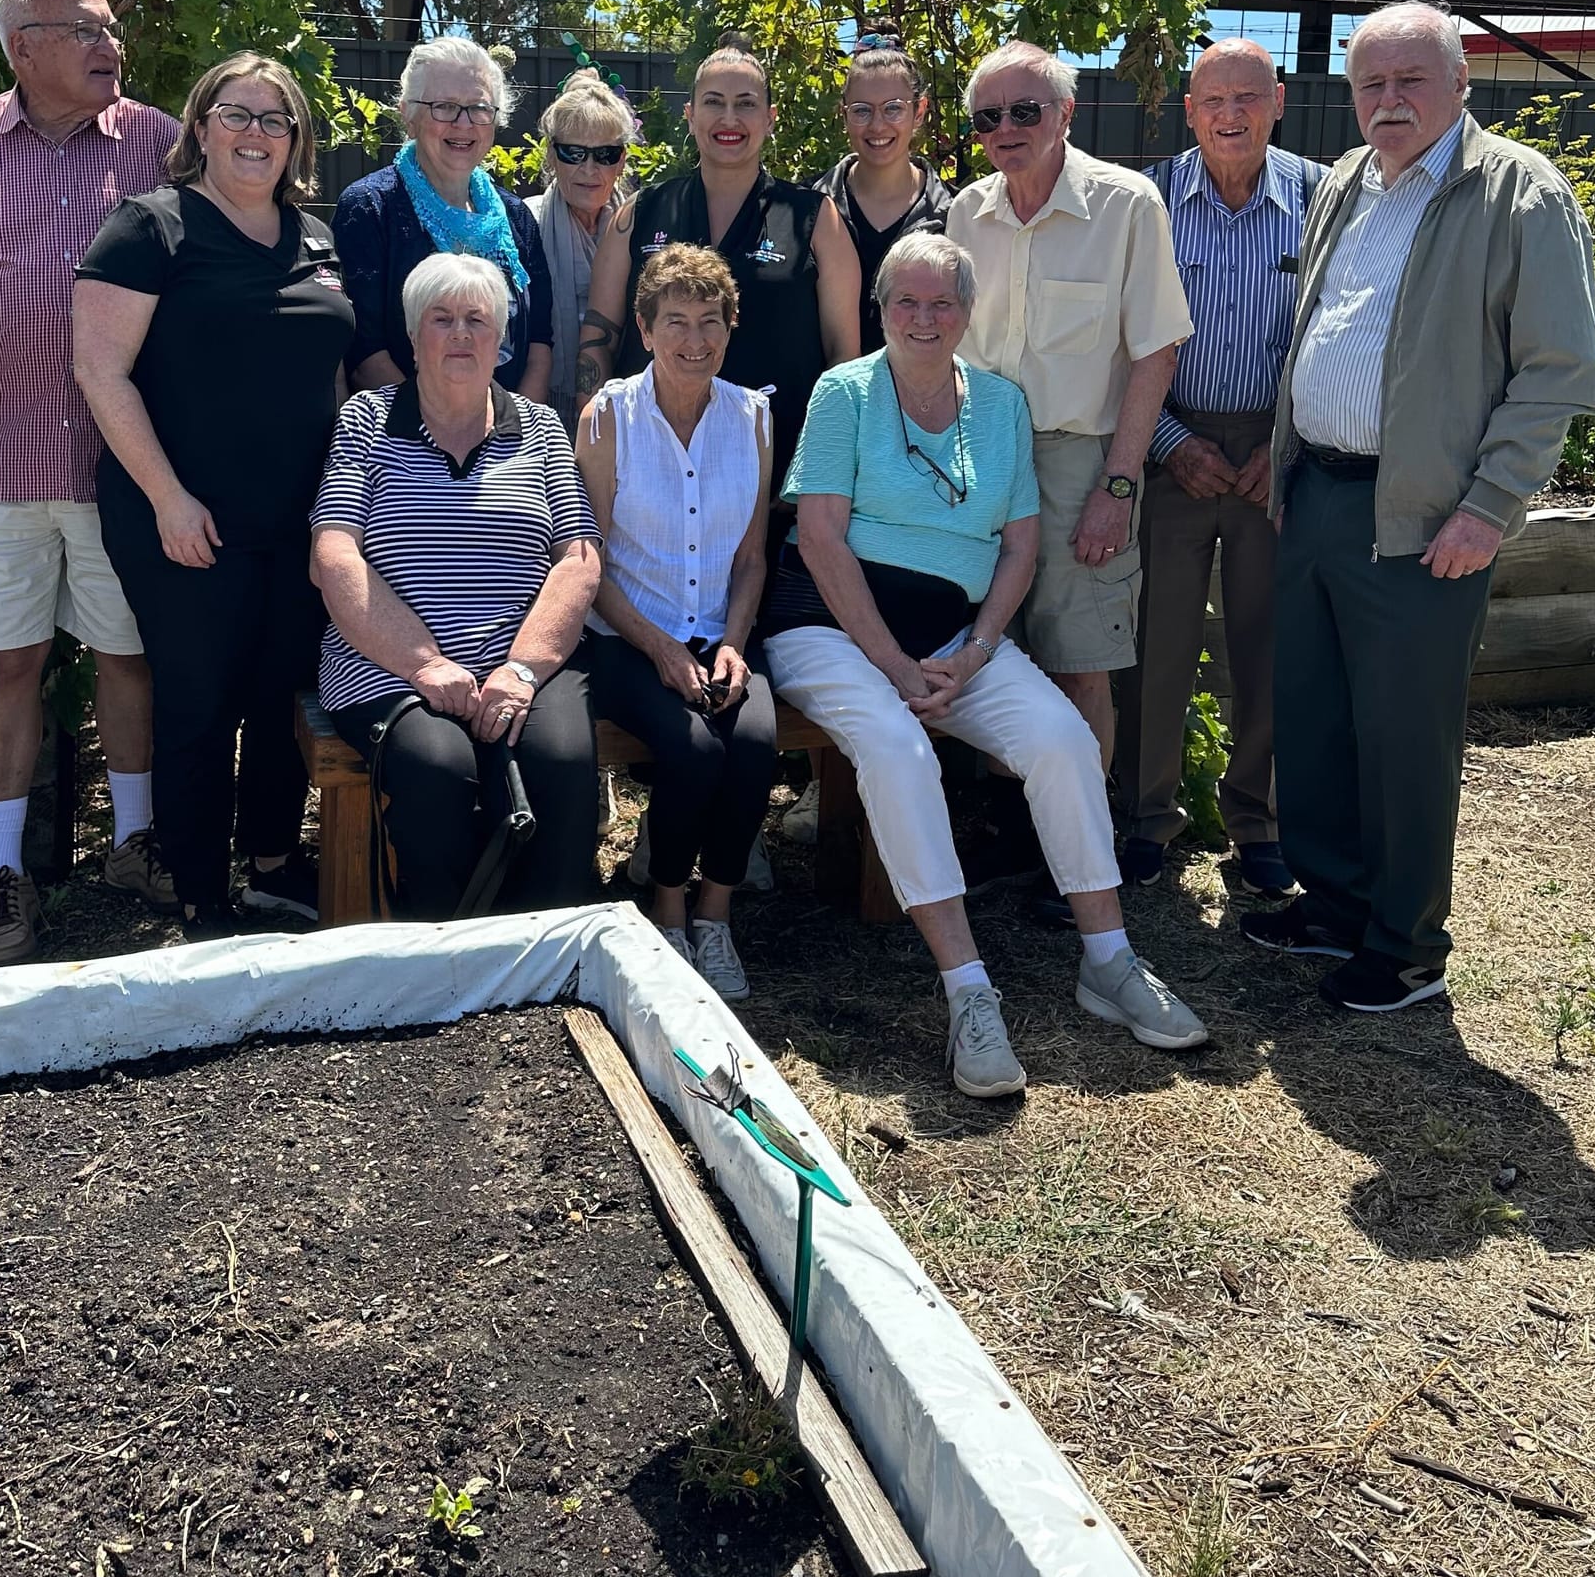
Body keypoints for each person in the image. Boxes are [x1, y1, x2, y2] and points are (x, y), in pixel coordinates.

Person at [762, 234, 1208, 1098]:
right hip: (830, 628)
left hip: (955, 640)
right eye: (906, 302)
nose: (924, 319)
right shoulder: (845, 392)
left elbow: (1021, 545)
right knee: (897, 747)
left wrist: (976, 647)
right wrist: (892, 662)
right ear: (880, 309)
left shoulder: (1000, 402)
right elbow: (817, 538)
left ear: (969, 314)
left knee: (1059, 736)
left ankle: (1108, 958)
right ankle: (969, 989)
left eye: (943, 304)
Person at [1265, 1, 1595, 1013]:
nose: (1387, 100)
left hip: (1425, 518)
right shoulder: (1345, 182)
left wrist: (1485, 507)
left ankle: (1406, 944)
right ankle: (1334, 905)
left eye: (1410, 80)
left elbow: (1556, 370)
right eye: (1370, 83)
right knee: (1314, 717)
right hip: (1320, 494)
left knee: (1404, 739)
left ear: (1461, 84)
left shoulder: (1516, 194)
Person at [0, 0, 181, 965]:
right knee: (7, 663)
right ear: (22, 45)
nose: (109, 43)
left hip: (124, 460)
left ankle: (133, 845)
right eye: (83, 30)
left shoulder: (159, 142)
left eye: (112, 25)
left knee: (129, 653)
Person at [72, 53, 354, 933]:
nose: (256, 134)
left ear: (296, 141)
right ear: (200, 127)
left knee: (281, 693)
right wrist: (166, 496)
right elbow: (101, 372)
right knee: (198, 699)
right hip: (184, 518)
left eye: (277, 121)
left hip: (295, 518)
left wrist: (341, 506)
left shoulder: (315, 238)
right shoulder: (150, 228)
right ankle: (200, 893)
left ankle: (272, 862)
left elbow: (332, 377)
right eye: (238, 114)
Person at [310, 252, 601, 918]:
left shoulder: (542, 425)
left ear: (502, 341)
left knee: (559, 759)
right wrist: (425, 664)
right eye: (442, 319)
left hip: (524, 657)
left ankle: (549, 948)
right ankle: (446, 945)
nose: (462, 334)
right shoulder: (367, 418)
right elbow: (334, 555)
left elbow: (579, 559)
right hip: (385, 665)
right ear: (413, 337)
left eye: (478, 320)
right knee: (437, 766)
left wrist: (522, 670)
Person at [1112, 40, 1321, 899]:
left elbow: (1344, 329)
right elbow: (1115, 345)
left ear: (1277, 100)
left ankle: (1257, 824)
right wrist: (1168, 443)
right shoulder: (1149, 201)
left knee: (1264, 645)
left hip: (1279, 448)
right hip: (1172, 446)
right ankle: (1147, 820)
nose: (1230, 113)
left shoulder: (1323, 197)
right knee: (1156, 643)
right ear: (1189, 111)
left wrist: (1290, 440)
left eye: (1247, 96)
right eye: (1212, 99)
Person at [947, 42, 1190, 769]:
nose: (1005, 128)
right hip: (982, 461)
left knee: (1082, 664)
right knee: (992, 654)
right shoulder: (967, 213)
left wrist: (1118, 486)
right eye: (988, 116)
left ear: (1066, 114)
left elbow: (1156, 351)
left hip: (1080, 462)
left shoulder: (1125, 205)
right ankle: (1015, 838)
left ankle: (1080, 857)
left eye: (1025, 110)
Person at [576, 245, 776, 997]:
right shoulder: (607, 417)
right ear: (644, 327)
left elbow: (752, 557)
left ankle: (714, 915)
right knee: (692, 749)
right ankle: (664, 908)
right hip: (628, 634)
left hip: (716, 634)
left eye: (710, 321)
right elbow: (588, 562)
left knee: (754, 742)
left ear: (731, 325)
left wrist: (733, 643)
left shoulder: (753, 416)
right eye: (676, 321)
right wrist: (660, 647)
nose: (695, 339)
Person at [578, 44, 861, 481]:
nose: (729, 119)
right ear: (690, 116)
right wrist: (596, 454)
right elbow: (597, 340)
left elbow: (844, 361)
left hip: (776, 481)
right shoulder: (641, 212)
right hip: (649, 479)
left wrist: (823, 474)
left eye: (745, 104)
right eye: (714, 102)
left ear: (769, 118)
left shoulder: (814, 219)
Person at [334, 36, 554, 401]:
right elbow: (365, 353)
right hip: (406, 443)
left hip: (508, 441)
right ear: (408, 115)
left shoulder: (516, 218)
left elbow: (539, 344)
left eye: (479, 108)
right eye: (444, 107)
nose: (463, 123)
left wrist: (514, 432)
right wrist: (439, 436)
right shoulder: (371, 209)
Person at [818, 37, 952, 350]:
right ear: (844, 115)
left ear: (919, 112)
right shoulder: (809, 210)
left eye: (893, 109)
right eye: (862, 111)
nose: (877, 126)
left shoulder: (955, 216)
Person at [530, 67, 637, 426]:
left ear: (622, 160)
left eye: (605, 154)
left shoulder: (641, 227)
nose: (589, 168)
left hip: (629, 415)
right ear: (551, 155)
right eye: (573, 153)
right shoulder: (522, 224)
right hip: (539, 414)